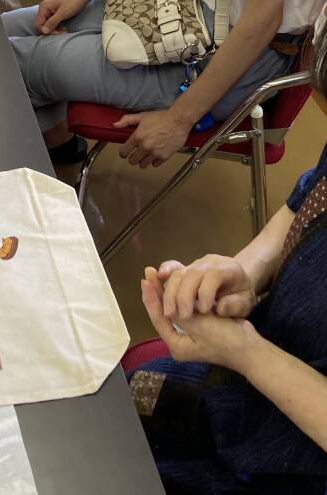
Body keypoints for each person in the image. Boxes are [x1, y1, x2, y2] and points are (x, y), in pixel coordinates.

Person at [130, 7, 327, 492]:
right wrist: (244, 273)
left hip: (292, 462)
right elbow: (303, 205)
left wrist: (247, 354)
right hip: (255, 387)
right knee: (104, 421)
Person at [2, 0, 324, 167]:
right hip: (195, 10)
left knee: (15, 62)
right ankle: (56, 140)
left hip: (234, 50)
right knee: (5, 28)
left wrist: (179, 119)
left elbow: (263, 19)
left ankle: (46, 149)